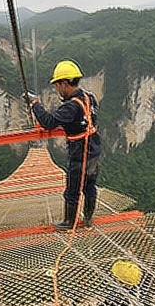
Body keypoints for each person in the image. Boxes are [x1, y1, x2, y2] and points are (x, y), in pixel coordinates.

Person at [28, 59, 102, 231]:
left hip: (80, 152)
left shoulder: (71, 107)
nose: (56, 89)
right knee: (90, 185)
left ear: (64, 83)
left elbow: (48, 122)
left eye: (57, 85)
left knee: (73, 189)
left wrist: (35, 104)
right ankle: (88, 219)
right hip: (95, 149)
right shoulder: (89, 97)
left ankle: (69, 223)